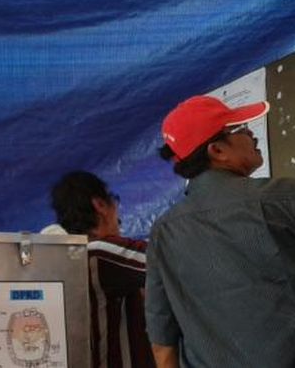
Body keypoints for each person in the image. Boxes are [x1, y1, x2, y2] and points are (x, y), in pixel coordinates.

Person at [146, 95, 295, 367]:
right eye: (240, 129)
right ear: (217, 151)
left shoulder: (163, 232)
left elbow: (162, 344)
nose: (251, 133)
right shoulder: (282, 199)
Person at [50, 171, 155, 368]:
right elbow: (171, 259)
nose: (118, 215)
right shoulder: (99, 252)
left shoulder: (69, 257)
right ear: (100, 205)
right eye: (114, 201)